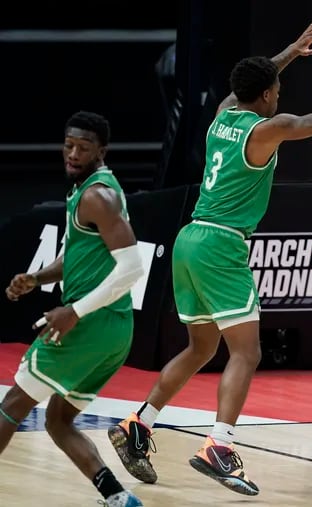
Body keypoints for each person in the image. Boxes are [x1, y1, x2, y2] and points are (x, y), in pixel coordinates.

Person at [107, 20, 312, 496]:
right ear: (268, 94)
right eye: (278, 88)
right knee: (247, 352)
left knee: (201, 348)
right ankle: (219, 446)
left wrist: (290, 49)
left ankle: (138, 424)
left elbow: (251, 81)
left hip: (189, 238)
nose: (280, 94)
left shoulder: (222, 113)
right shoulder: (268, 128)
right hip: (222, 243)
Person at [1, 112, 144, 507]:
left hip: (88, 326)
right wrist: (37, 277)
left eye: (84, 147)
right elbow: (76, 256)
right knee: (58, 420)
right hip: (114, 331)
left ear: (102, 150)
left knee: (12, 405)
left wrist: (75, 311)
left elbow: (133, 268)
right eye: (69, 145)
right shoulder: (87, 192)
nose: (74, 153)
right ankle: (117, 497)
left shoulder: (98, 195)